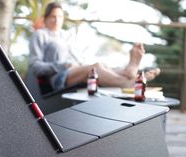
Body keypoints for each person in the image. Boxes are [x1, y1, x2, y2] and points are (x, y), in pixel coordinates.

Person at [29, 2, 160, 91]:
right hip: (58, 77)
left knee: (100, 66)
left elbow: (80, 59)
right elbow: (35, 66)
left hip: (78, 70)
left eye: (60, 17)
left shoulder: (67, 35)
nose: (57, 20)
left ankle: (128, 71)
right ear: (45, 18)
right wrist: (64, 65)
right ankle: (127, 82)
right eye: (53, 17)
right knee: (95, 68)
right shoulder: (40, 35)